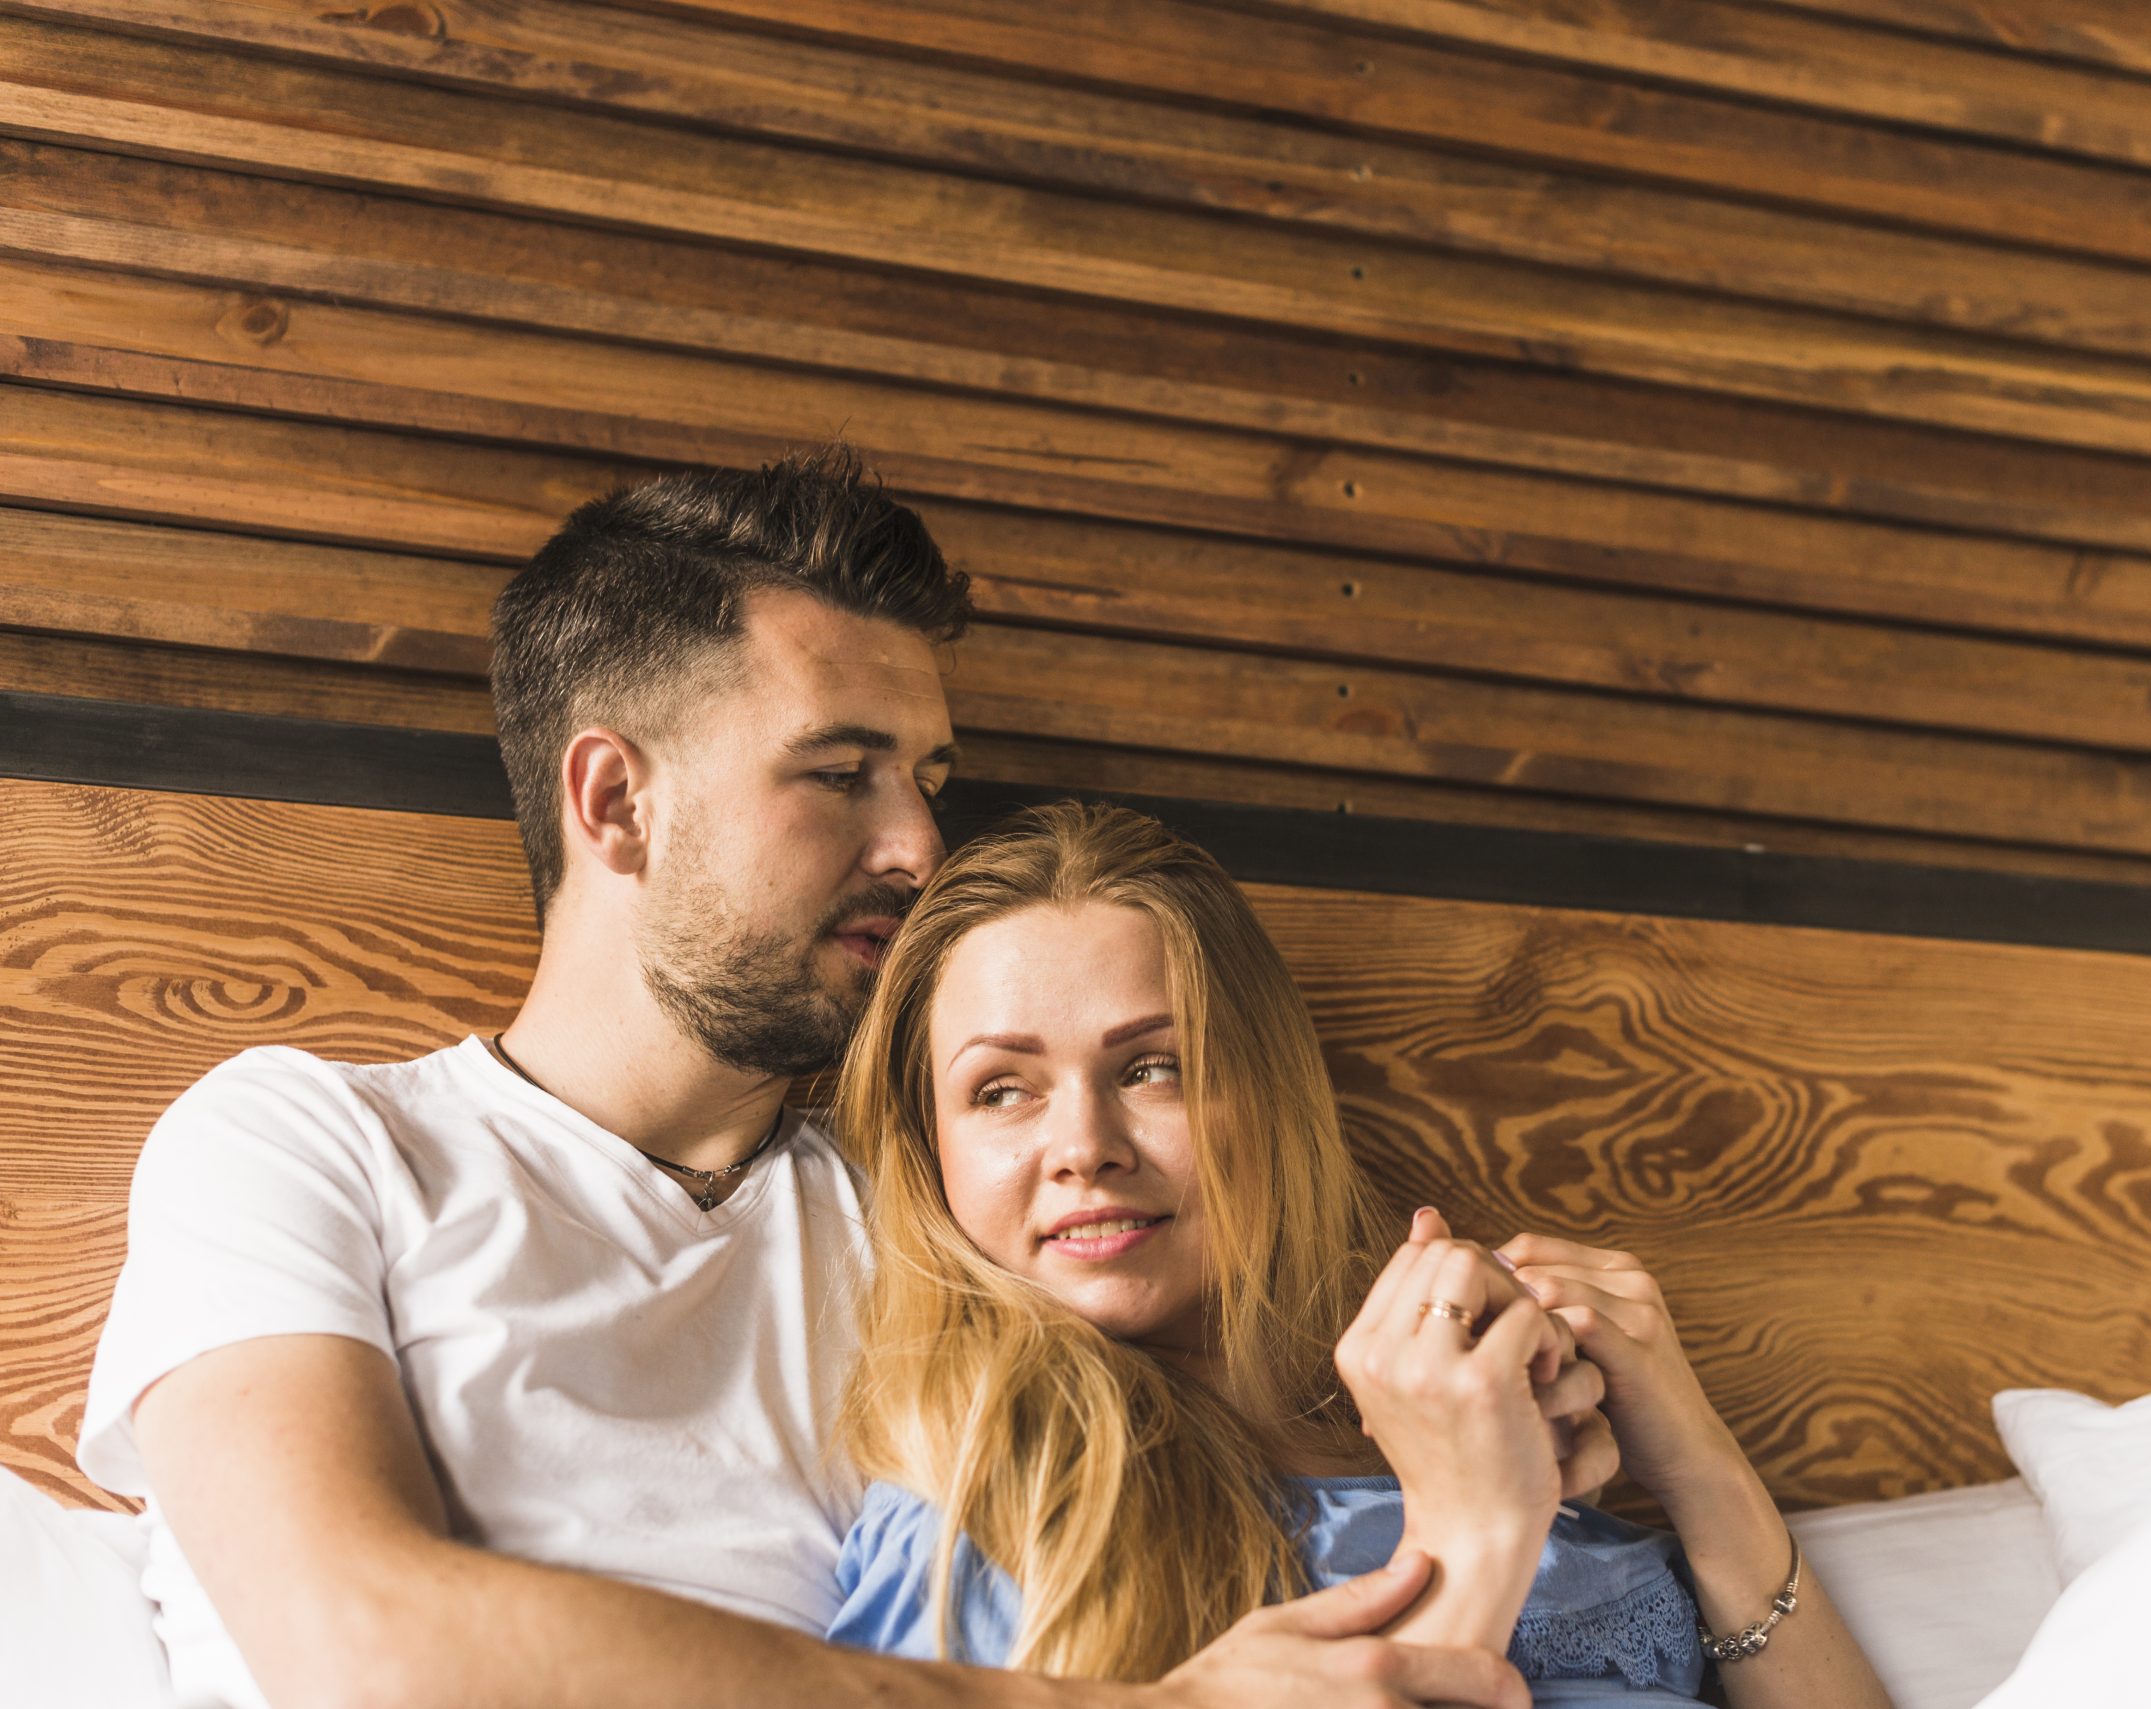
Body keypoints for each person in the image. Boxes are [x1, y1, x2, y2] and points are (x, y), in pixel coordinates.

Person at [75, 447, 1557, 1709]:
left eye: (928, 776)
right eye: (842, 772)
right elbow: (363, 1643)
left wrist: (1509, 1422)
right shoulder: (308, 1145)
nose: (919, 842)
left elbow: (1233, 1459)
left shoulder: (934, 1210)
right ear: (616, 801)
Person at [823, 800, 1894, 1706]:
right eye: (1001, 1089)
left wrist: (1700, 1466)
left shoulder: (1480, 1419)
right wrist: (1471, 1533)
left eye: (1153, 1067)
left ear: (1270, 1092)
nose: (1083, 1148)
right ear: (931, 1150)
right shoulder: (983, 1509)